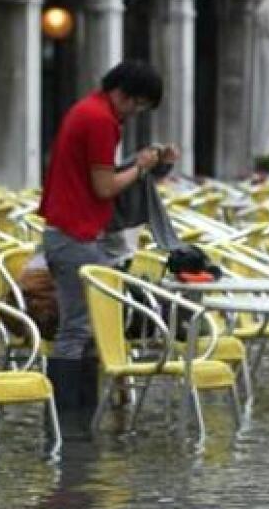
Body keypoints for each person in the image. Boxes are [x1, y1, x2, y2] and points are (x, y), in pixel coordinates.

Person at [39, 60, 176, 440]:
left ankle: (79, 416)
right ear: (125, 94)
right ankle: (66, 420)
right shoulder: (100, 120)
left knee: (85, 328)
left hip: (74, 233)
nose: (136, 113)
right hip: (75, 235)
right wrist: (142, 166)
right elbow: (104, 187)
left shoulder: (87, 110)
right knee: (77, 328)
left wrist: (146, 165)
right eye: (139, 105)